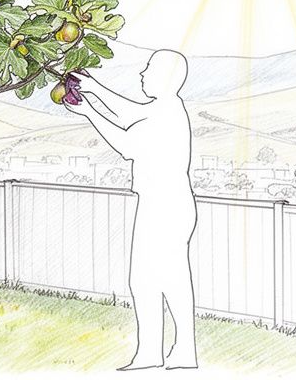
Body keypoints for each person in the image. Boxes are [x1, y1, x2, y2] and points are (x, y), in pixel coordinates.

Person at [66, 49, 198, 370]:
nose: (142, 74)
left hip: (164, 206)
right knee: (150, 279)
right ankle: (157, 352)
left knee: (160, 278)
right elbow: (129, 115)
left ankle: (175, 351)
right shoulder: (164, 109)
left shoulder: (166, 114)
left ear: (166, 78)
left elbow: (127, 144)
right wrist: (93, 90)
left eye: (149, 69)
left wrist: (89, 111)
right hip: (164, 204)